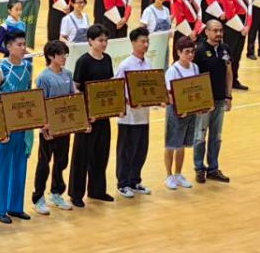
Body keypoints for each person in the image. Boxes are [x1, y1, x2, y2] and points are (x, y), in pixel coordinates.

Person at [0, 29, 33, 224]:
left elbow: (29, 95)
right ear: (8, 47)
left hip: (23, 125)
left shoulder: (28, 67)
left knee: (20, 165)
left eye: (24, 44)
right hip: (5, 127)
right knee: (1, 166)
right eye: (19, 45)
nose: (23, 48)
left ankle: (15, 206)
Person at [68, 23, 115, 206]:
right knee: (82, 156)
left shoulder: (107, 59)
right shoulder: (83, 61)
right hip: (87, 117)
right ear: (90, 41)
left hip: (103, 115)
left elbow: (109, 86)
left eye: (105, 40)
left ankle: (97, 190)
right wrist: (85, 113)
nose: (104, 43)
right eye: (100, 40)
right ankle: (76, 194)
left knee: (101, 153)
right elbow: (76, 89)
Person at [32, 40, 77, 215]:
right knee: (44, 163)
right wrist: (44, 127)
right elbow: (40, 103)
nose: (64, 57)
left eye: (65, 54)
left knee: (61, 161)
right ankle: (38, 198)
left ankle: (56, 193)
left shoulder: (68, 74)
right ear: (51, 56)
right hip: (49, 129)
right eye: (60, 54)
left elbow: (73, 98)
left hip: (64, 127)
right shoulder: (43, 77)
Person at [114, 27, 154, 198]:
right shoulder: (125, 65)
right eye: (142, 41)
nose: (146, 45)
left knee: (141, 150)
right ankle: (123, 184)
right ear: (133, 43)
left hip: (144, 116)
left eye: (147, 41)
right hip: (129, 118)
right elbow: (116, 89)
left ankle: (134, 180)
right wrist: (127, 103)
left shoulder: (148, 63)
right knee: (126, 151)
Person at [193, 20, 233, 184]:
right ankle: (199, 168)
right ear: (207, 32)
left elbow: (229, 73)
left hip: (220, 100)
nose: (218, 34)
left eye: (221, 31)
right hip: (204, 102)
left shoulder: (225, 49)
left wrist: (228, 96)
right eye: (215, 31)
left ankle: (213, 168)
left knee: (216, 136)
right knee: (200, 136)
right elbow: (194, 77)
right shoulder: (199, 51)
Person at [163, 36, 199, 191]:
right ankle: (169, 175)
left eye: (192, 51)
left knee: (182, 144)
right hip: (176, 112)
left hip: (190, 112)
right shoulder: (173, 70)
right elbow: (169, 94)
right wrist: (180, 109)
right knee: (171, 144)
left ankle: (178, 174)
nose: (190, 55)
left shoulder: (195, 67)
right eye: (186, 52)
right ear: (178, 52)